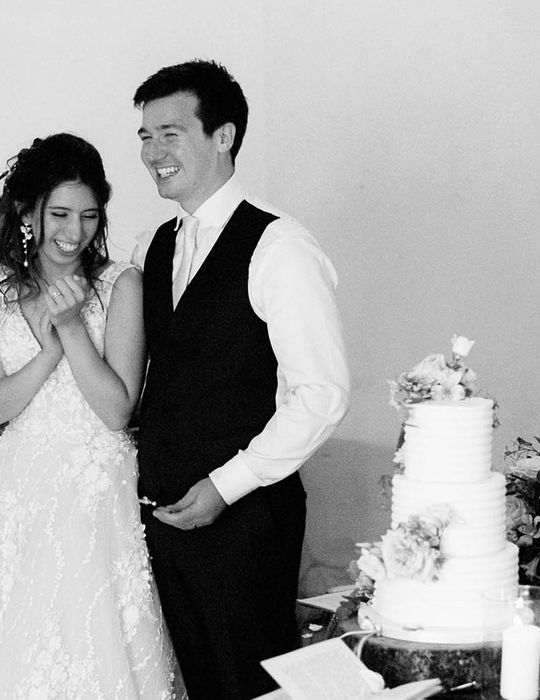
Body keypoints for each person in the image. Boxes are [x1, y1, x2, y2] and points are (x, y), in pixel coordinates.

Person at [0, 133, 185, 699]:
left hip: (93, 488)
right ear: (27, 211)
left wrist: (73, 328)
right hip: (17, 485)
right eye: (59, 213)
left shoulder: (120, 283)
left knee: (88, 638)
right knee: (6, 639)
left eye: (88, 215)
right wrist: (51, 351)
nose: (74, 231)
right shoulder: (2, 285)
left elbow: (115, 410)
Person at [131, 60, 350, 699]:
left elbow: (321, 394)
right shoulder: (155, 246)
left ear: (223, 136)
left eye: (169, 133)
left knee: (249, 685)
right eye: (144, 136)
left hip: (246, 522)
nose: (152, 152)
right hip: (164, 519)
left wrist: (227, 486)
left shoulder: (280, 247)